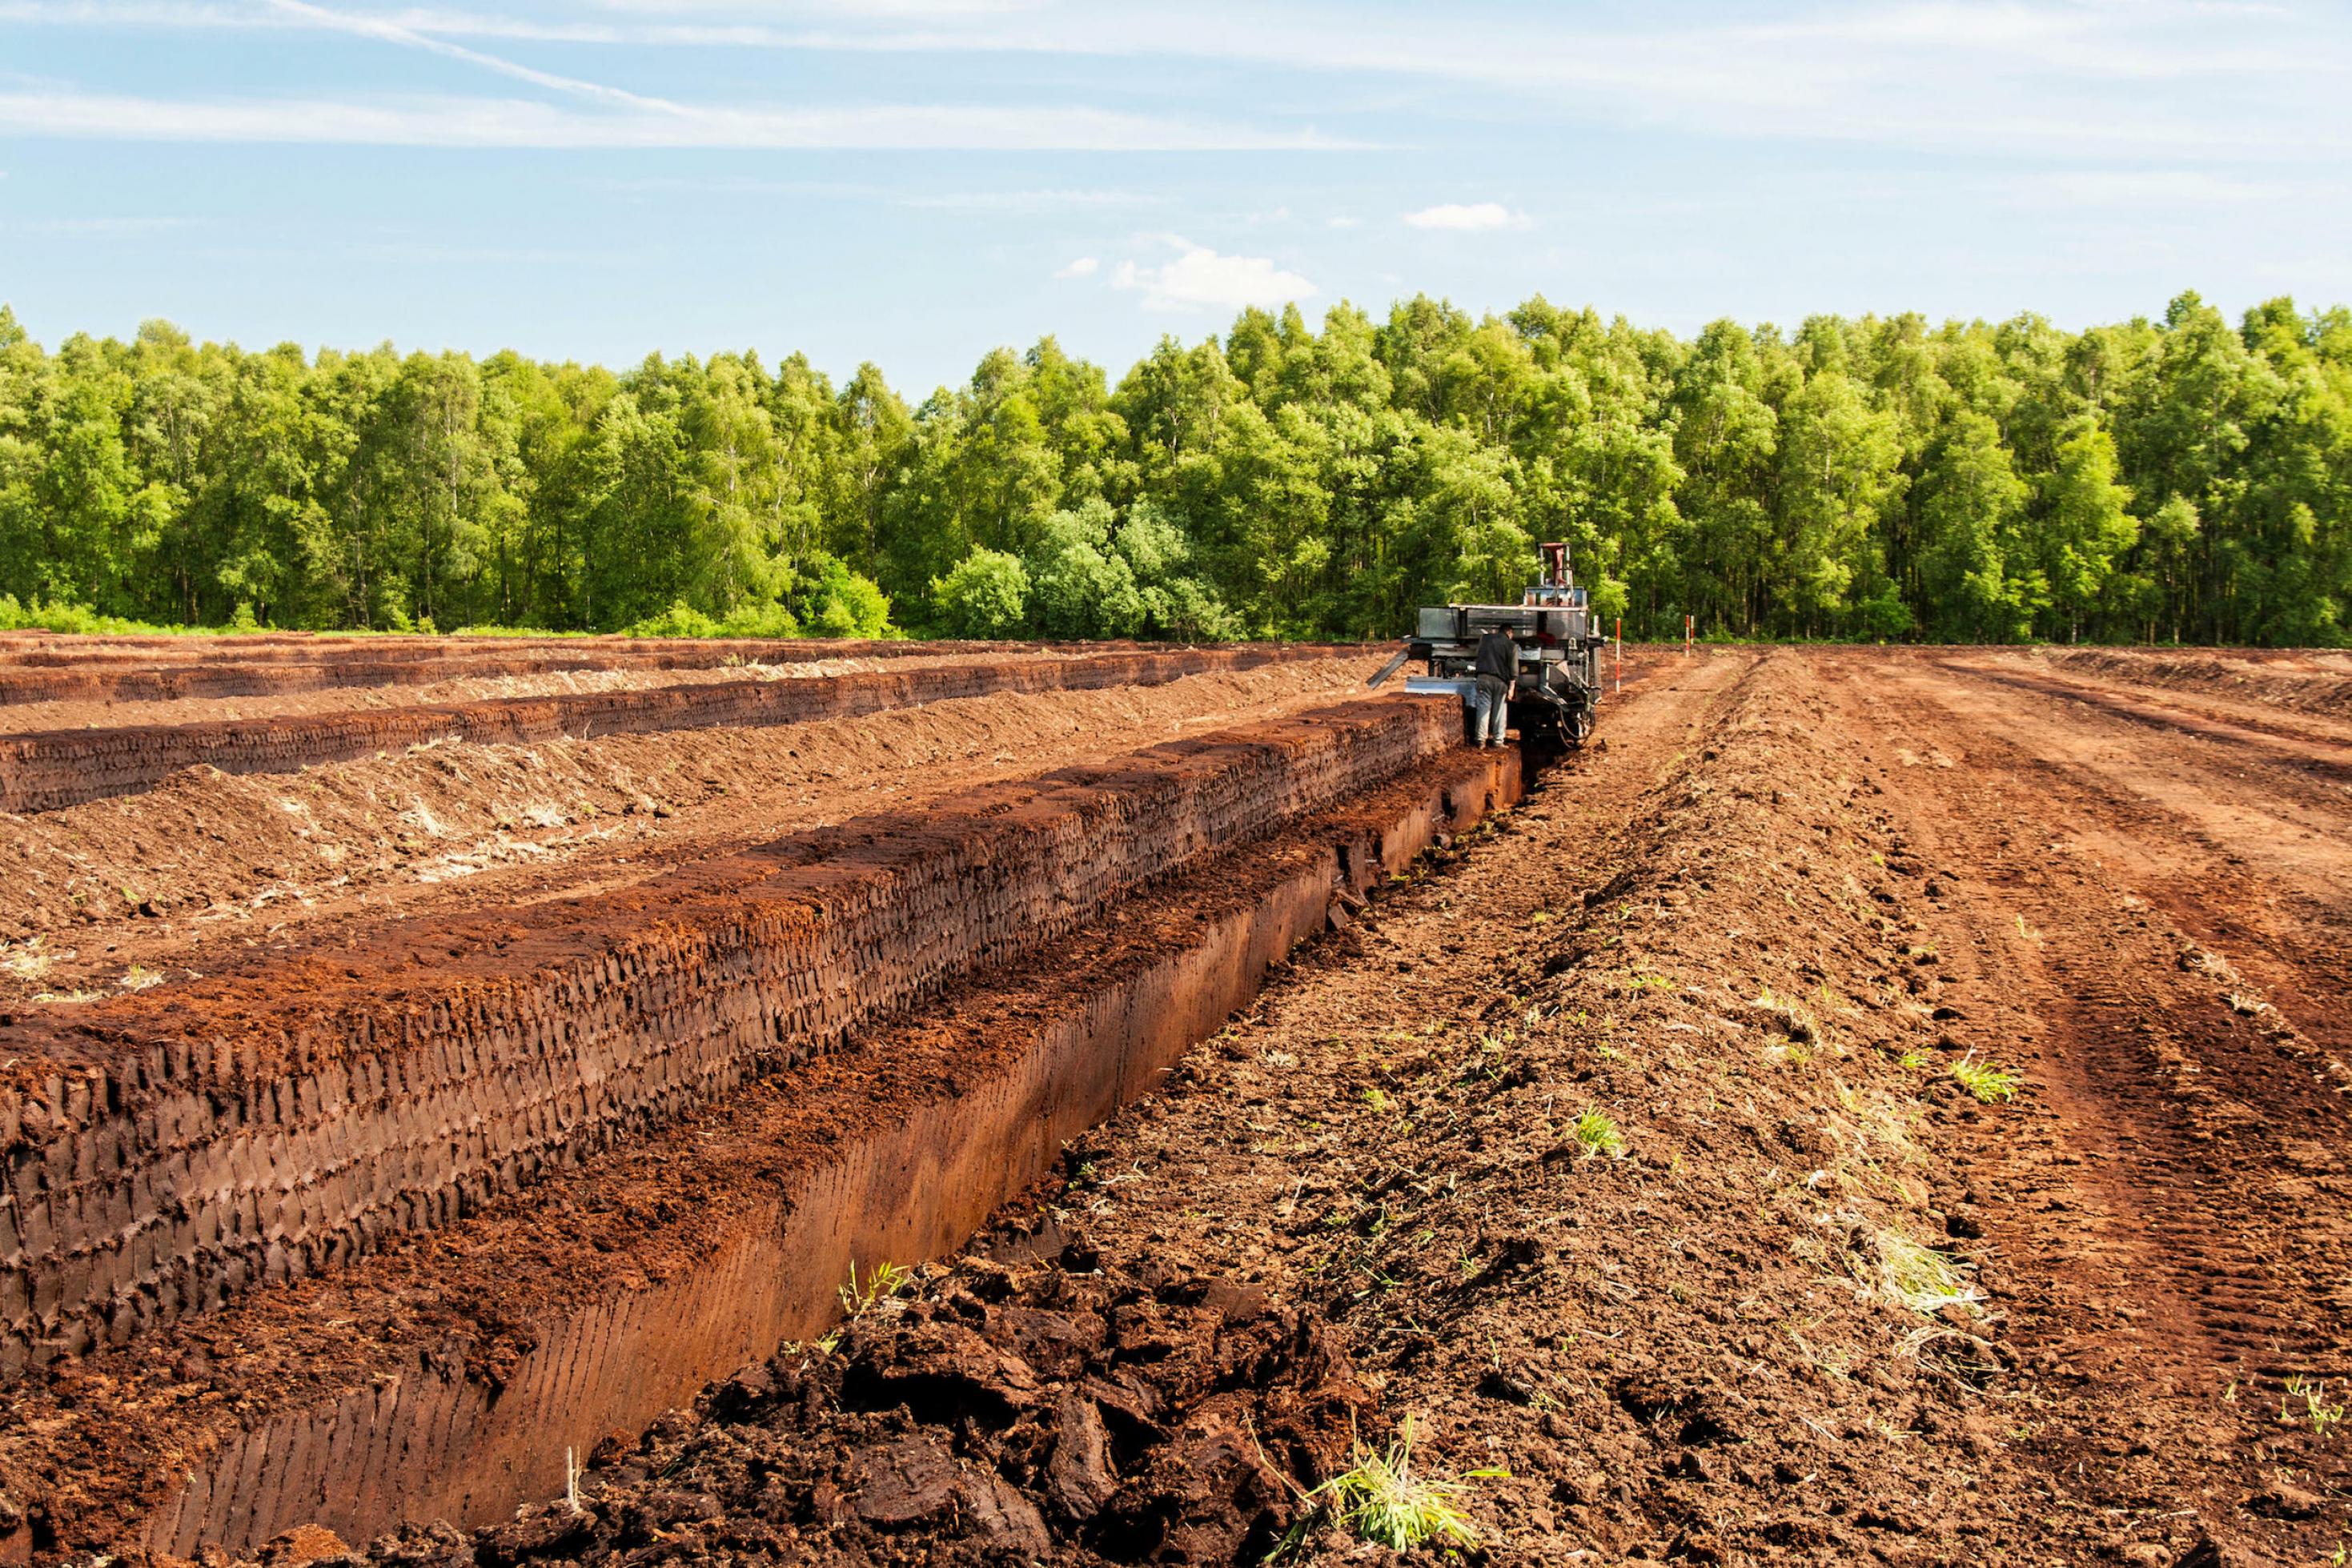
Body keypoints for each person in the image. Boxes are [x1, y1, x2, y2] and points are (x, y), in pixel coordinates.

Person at [1471, 625, 1516, 747]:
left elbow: (1477, 654)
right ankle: (1498, 741)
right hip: (1501, 681)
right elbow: (1513, 670)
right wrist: (1512, 689)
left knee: (1483, 709)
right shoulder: (1511, 645)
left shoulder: (1485, 639)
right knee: (1500, 711)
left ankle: (1481, 740)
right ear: (1509, 632)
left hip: (1483, 678)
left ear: (1498, 631)